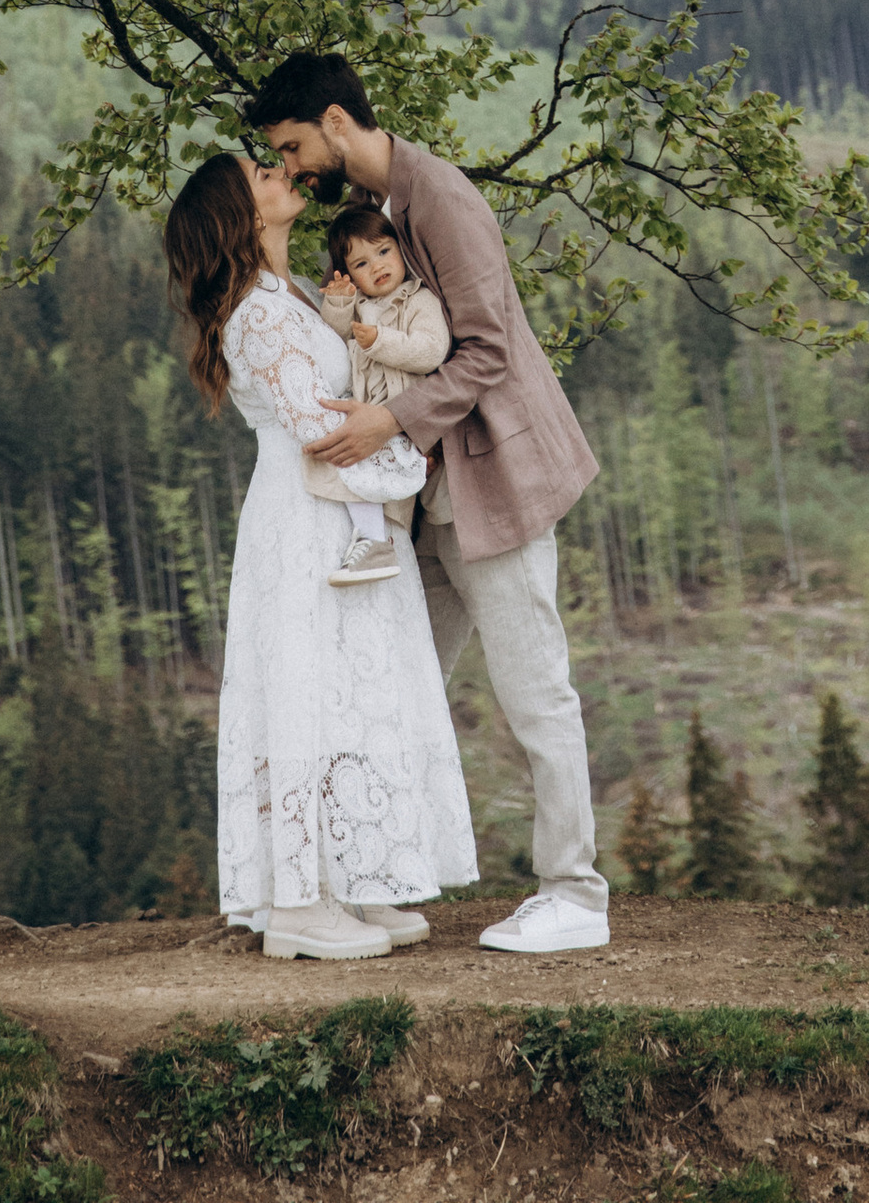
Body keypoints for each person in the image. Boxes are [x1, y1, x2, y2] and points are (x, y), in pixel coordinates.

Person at [245, 49, 610, 958]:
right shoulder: (391, 212)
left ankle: (575, 893)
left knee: (536, 693)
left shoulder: (440, 199)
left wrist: (387, 421)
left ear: (335, 122)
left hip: (498, 485)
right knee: (397, 686)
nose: (290, 169)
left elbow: (487, 351)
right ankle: (351, 884)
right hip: (435, 498)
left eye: (291, 148)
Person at [164, 151, 478, 961]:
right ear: (243, 212)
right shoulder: (260, 314)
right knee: (312, 688)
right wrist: (418, 460)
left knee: (349, 687)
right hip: (308, 511)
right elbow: (323, 430)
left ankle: (349, 876)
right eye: (262, 175)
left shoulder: (294, 293)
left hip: (341, 509)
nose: (282, 175)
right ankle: (297, 903)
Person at [311, 202, 453, 586]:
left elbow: (430, 352)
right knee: (362, 477)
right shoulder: (360, 306)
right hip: (373, 421)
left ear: (400, 249)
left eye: (383, 251)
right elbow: (333, 341)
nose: (376, 266)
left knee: (384, 485)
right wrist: (340, 304)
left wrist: (380, 341)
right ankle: (376, 543)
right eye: (360, 264)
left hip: (405, 419)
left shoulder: (418, 300)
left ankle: (379, 543)